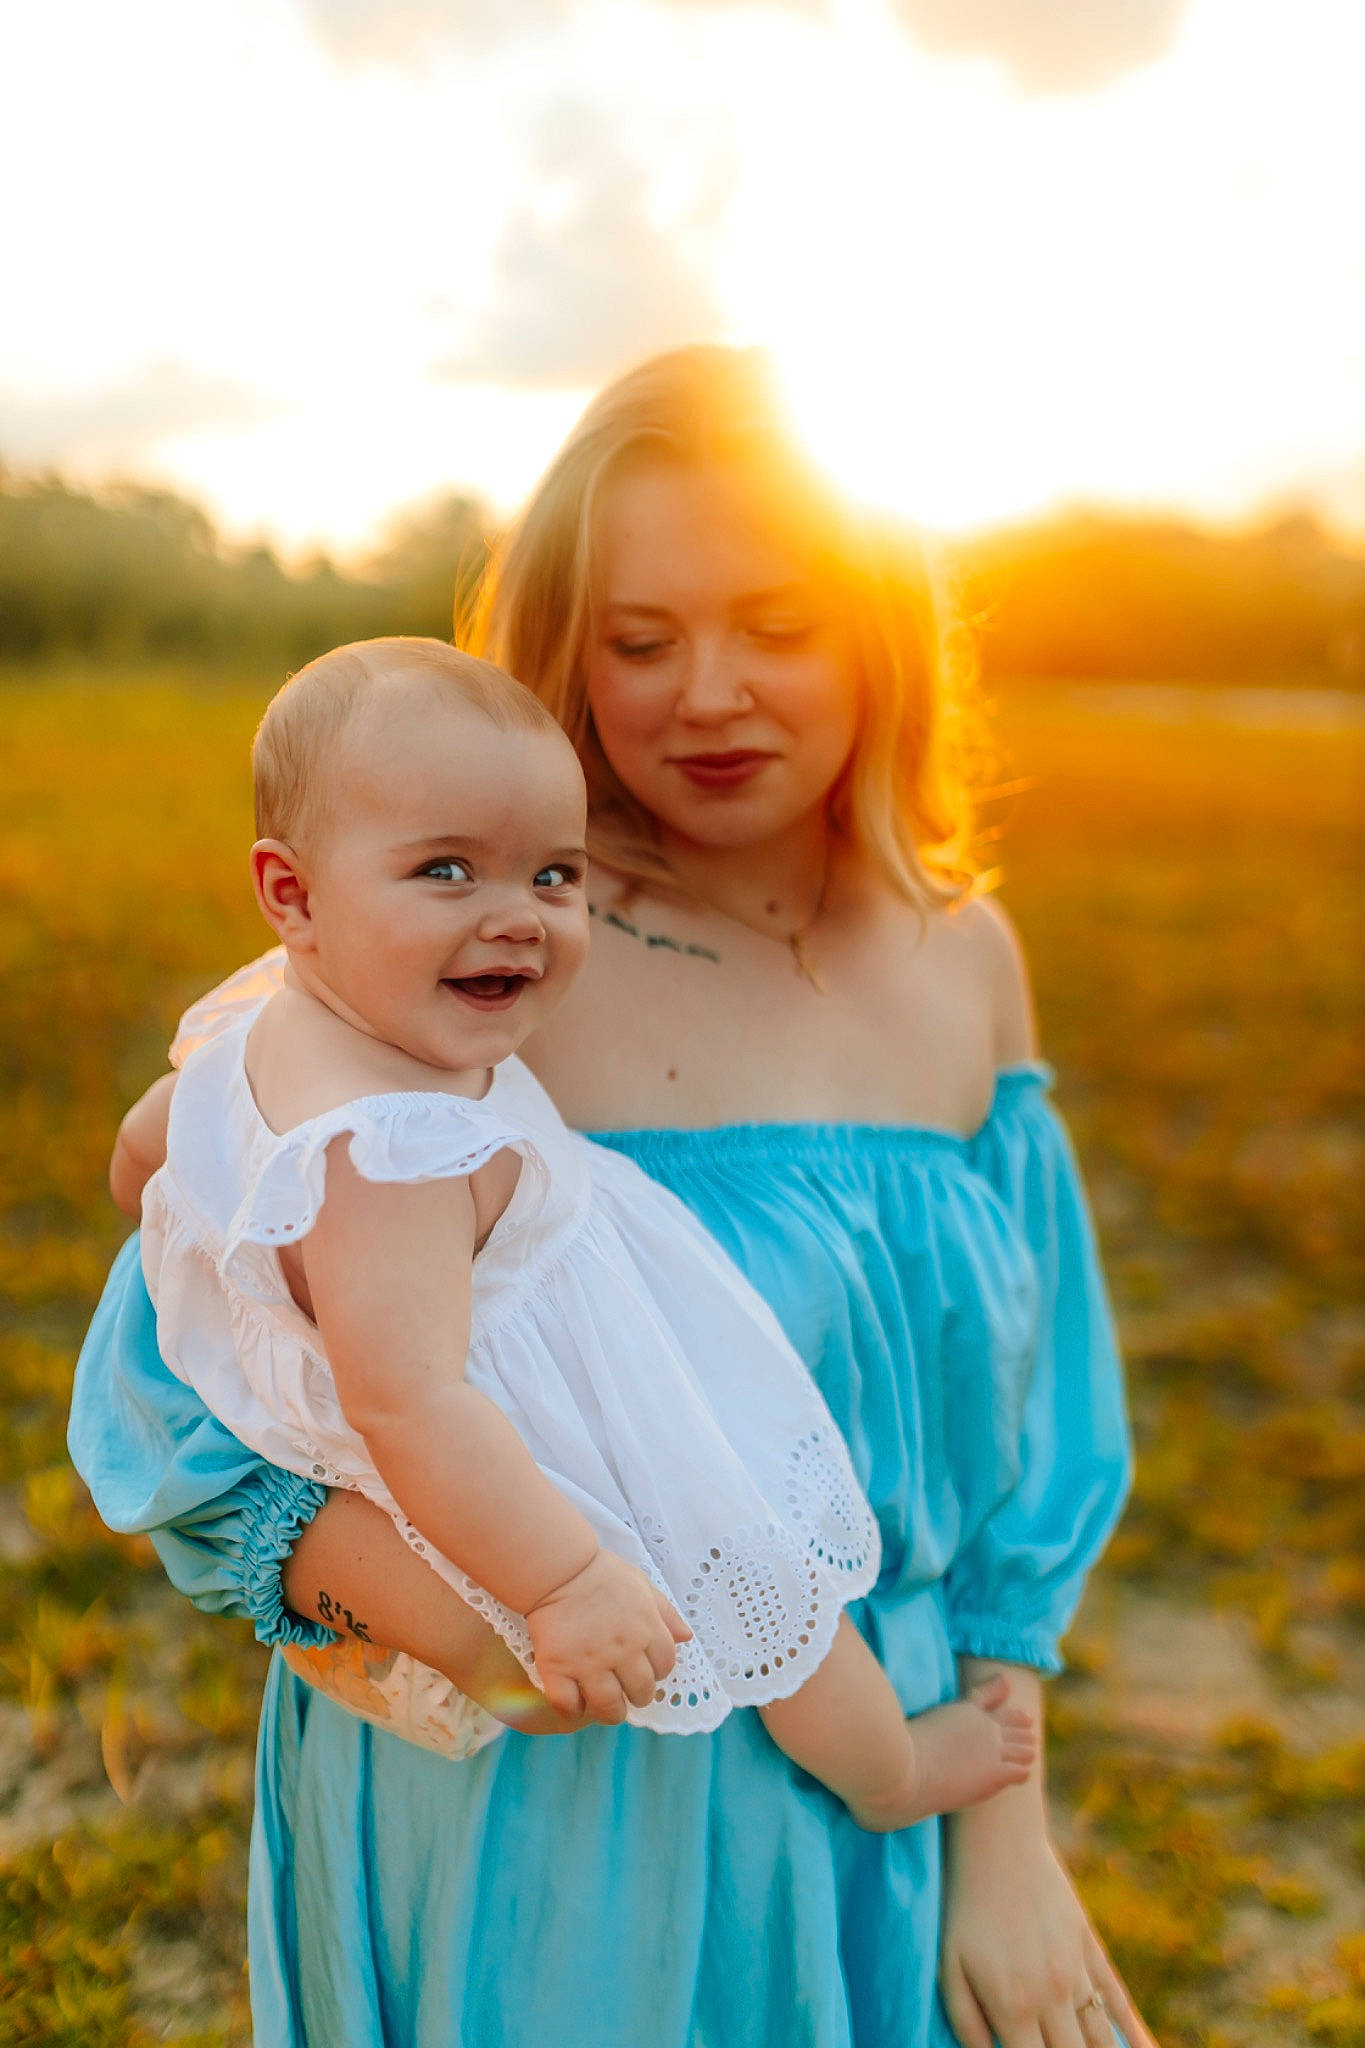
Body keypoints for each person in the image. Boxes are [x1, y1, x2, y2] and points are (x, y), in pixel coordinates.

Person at [72, 345, 1148, 2048]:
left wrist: (999, 1836)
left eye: (776, 625)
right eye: (640, 642)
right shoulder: (470, 968)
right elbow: (183, 1421)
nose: (707, 694)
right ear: (568, 647)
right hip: (547, 1821)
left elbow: (1022, 1456)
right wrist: (506, 1639)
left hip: (887, 1782)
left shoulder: (967, 959)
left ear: (879, 634)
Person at [125, 632, 1036, 1828]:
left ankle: (534, 1681)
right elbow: (412, 1401)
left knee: (701, 1602)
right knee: (767, 1582)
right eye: (448, 870)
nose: (516, 918)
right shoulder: (393, 1151)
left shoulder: (255, 1029)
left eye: (554, 875)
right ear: (291, 894)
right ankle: (890, 1773)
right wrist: (563, 1582)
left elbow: (147, 1156)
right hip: (534, 1455)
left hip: (467, 1454)